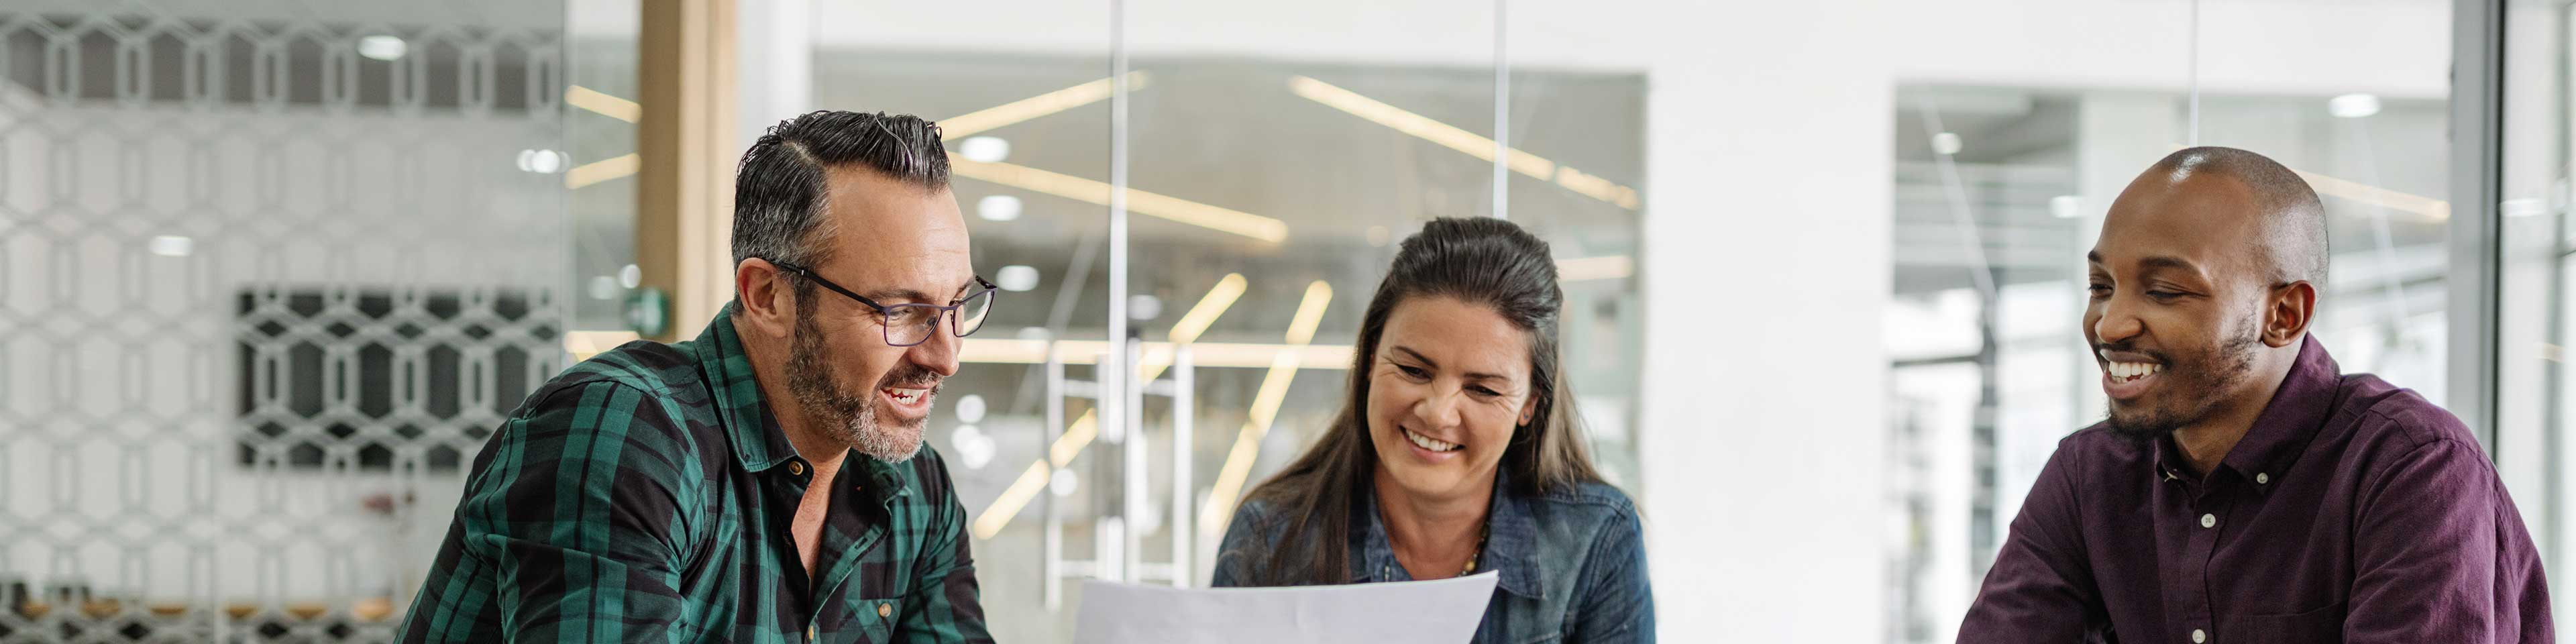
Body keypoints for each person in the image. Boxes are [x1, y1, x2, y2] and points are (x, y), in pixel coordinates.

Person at [400, 111, 996, 643]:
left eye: (957, 305)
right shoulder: (625, 436)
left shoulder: (914, 488)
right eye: (901, 311)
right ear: (767, 296)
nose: (946, 358)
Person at [1958, 147, 2551, 643]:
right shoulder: (2091, 473)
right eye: (2101, 286)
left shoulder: (2412, 466)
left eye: (2164, 291)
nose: (2111, 324)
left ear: (2284, 314)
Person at [1211, 217, 1654, 643]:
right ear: (1369, 360)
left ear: (1530, 404)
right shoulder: (1270, 538)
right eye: (1412, 370)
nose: (1439, 413)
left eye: (1481, 389)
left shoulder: (1595, 540)